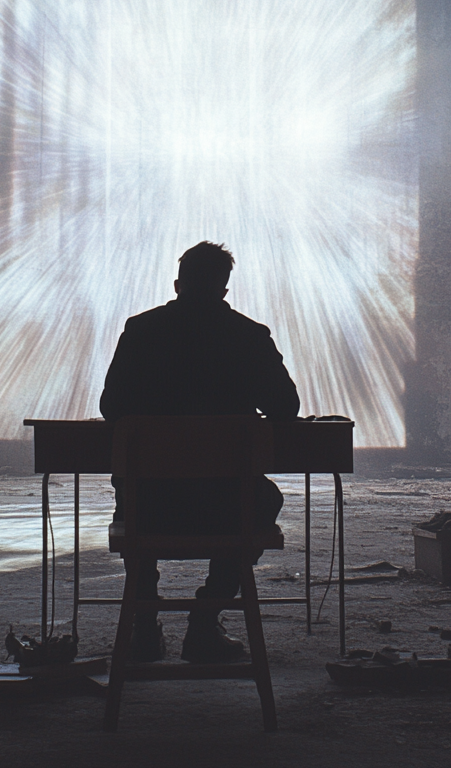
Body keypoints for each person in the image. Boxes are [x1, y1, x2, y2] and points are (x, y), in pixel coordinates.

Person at [100, 241, 300, 663]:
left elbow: (111, 408)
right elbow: (286, 408)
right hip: (225, 508)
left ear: (178, 284)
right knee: (265, 500)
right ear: (224, 290)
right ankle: (205, 622)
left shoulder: (140, 331)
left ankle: (143, 627)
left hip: (153, 507)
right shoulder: (249, 336)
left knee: (129, 496)